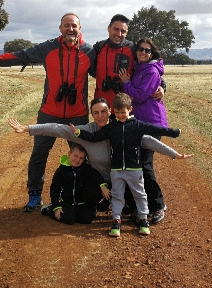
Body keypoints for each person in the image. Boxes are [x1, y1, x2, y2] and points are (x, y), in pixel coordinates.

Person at [0, 13, 94, 212]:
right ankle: (35, 195)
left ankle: (82, 194)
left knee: (83, 155)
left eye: (74, 26)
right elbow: (21, 55)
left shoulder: (89, 51)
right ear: (60, 28)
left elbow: (107, 71)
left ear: (80, 29)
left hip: (77, 113)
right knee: (39, 154)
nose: (70, 29)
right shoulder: (48, 48)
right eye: (66, 25)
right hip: (49, 112)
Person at [8, 98, 193, 207]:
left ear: (110, 111)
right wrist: (28, 128)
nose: (100, 116)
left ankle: (146, 206)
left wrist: (173, 154)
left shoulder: (121, 128)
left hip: (122, 177)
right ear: (92, 114)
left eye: (103, 111)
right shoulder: (86, 131)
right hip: (99, 181)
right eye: (95, 113)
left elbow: (147, 140)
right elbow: (57, 129)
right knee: (87, 202)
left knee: (135, 202)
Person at [69, 93, 182, 237]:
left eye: (123, 112)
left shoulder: (137, 125)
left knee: (140, 194)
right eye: (117, 113)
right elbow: (94, 137)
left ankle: (143, 220)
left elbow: (156, 129)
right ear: (113, 112)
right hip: (116, 171)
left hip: (135, 169)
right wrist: (79, 133)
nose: (120, 116)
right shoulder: (112, 127)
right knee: (117, 196)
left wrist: (174, 132)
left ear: (130, 109)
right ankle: (116, 221)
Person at [118, 38, 170, 223]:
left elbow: (139, 96)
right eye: (140, 49)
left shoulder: (151, 71)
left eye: (147, 50)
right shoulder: (138, 68)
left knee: (145, 164)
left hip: (151, 123)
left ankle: (157, 205)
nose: (143, 52)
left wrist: (126, 82)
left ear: (152, 54)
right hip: (139, 122)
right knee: (136, 163)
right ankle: (136, 204)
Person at [40, 143, 110, 225]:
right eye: (75, 156)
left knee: (87, 219)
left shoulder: (85, 168)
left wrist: (102, 186)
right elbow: (55, 189)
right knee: (68, 219)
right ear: (69, 154)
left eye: (81, 158)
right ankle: (50, 209)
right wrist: (56, 207)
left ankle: (90, 208)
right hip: (67, 202)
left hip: (81, 203)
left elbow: (96, 175)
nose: (77, 160)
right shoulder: (61, 171)